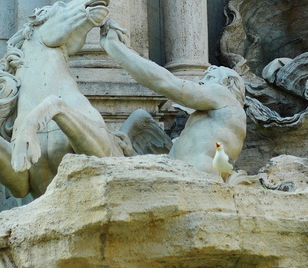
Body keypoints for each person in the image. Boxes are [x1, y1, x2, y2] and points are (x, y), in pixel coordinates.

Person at [99, 19, 246, 178]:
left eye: (208, 78)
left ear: (227, 82)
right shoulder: (209, 123)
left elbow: (165, 82)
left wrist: (115, 48)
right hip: (186, 180)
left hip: (197, 182)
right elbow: (174, 161)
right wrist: (133, 154)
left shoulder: (224, 95)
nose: (200, 83)